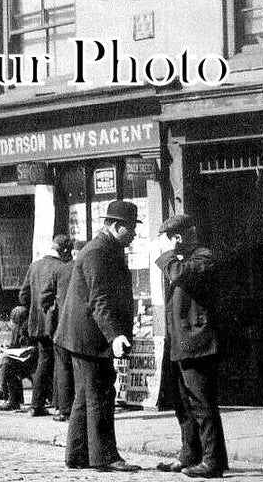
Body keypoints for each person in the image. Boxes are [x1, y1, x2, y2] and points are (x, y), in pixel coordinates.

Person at [55, 200, 143, 473]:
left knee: (85, 395)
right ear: (116, 227)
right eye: (131, 229)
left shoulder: (105, 249)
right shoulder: (98, 252)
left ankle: (77, 455)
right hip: (89, 337)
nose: (134, 234)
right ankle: (105, 456)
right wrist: (115, 335)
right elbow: (99, 300)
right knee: (101, 393)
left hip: (82, 335)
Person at [154, 209, 228, 478]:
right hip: (179, 344)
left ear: (180, 237)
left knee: (203, 405)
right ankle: (190, 454)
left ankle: (213, 461)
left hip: (199, 344)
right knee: (183, 404)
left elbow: (178, 274)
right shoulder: (183, 259)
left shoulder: (203, 258)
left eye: (169, 238)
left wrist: (168, 253)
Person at [19, 234, 75, 417]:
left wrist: (35, 311)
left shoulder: (34, 266)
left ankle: (36, 404)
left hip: (37, 324)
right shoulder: (63, 268)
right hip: (55, 324)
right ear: (65, 250)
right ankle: (60, 406)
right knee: (60, 363)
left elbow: (23, 296)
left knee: (43, 362)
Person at [52, 240, 81, 423]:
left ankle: (63, 409)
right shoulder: (84, 269)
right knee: (79, 370)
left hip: (62, 327)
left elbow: (48, 297)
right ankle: (78, 409)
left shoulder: (62, 270)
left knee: (63, 369)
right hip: (79, 328)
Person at [0, 305, 37, 413]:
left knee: (9, 364)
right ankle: (11, 399)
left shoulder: (33, 328)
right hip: (23, 361)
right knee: (7, 362)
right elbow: (13, 346)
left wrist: (31, 349)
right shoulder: (17, 330)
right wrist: (6, 351)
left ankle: (6, 395)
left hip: (34, 361)